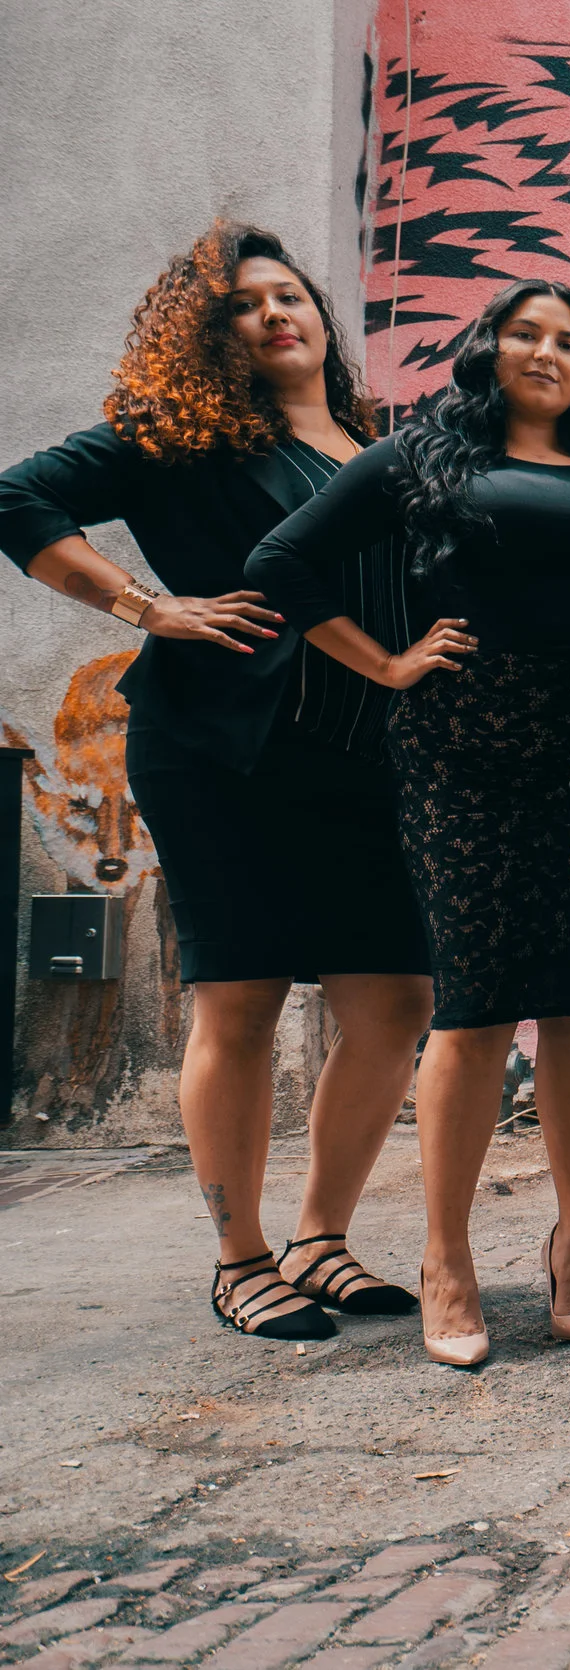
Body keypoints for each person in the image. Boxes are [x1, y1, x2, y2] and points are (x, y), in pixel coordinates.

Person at [0, 222, 432, 1341]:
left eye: (291, 295)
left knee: (391, 1001)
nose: (277, 313)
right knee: (238, 999)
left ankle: (322, 1240)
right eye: (245, 303)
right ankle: (240, 1258)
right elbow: (18, 499)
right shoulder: (183, 438)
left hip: (369, 750)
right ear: (210, 334)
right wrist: (149, 608)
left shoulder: (380, 440)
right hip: (222, 751)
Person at [246, 279, 570, 1368]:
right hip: (458, 749)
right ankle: (446, 1255)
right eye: (526, 331)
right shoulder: (421, 459)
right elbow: (279, 561)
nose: (547, 350)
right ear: (489, 347)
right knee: (471, 1006)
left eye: (569, 339)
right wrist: (384, 664)